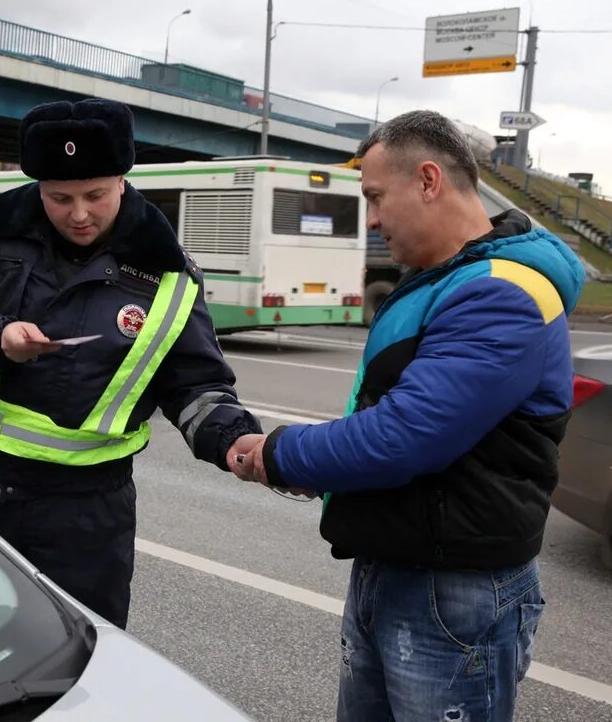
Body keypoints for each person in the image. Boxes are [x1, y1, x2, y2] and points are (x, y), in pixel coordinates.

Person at [229, 110, 585, 721]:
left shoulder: (501, 292)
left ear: (427, 181)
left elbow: (406, 436)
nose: (371, 221)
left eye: (374, 198)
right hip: (400, 567)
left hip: (454, 590)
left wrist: (279, 453)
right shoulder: (448, 278)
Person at [0, 98, 261, 629]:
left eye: (96, 195)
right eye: (59, 197)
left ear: (122, 180)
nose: (79, 214)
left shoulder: (169, 273)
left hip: (91, 513)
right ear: (38, 189)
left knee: (83, 655)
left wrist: (233, 437)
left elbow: (195, 383)